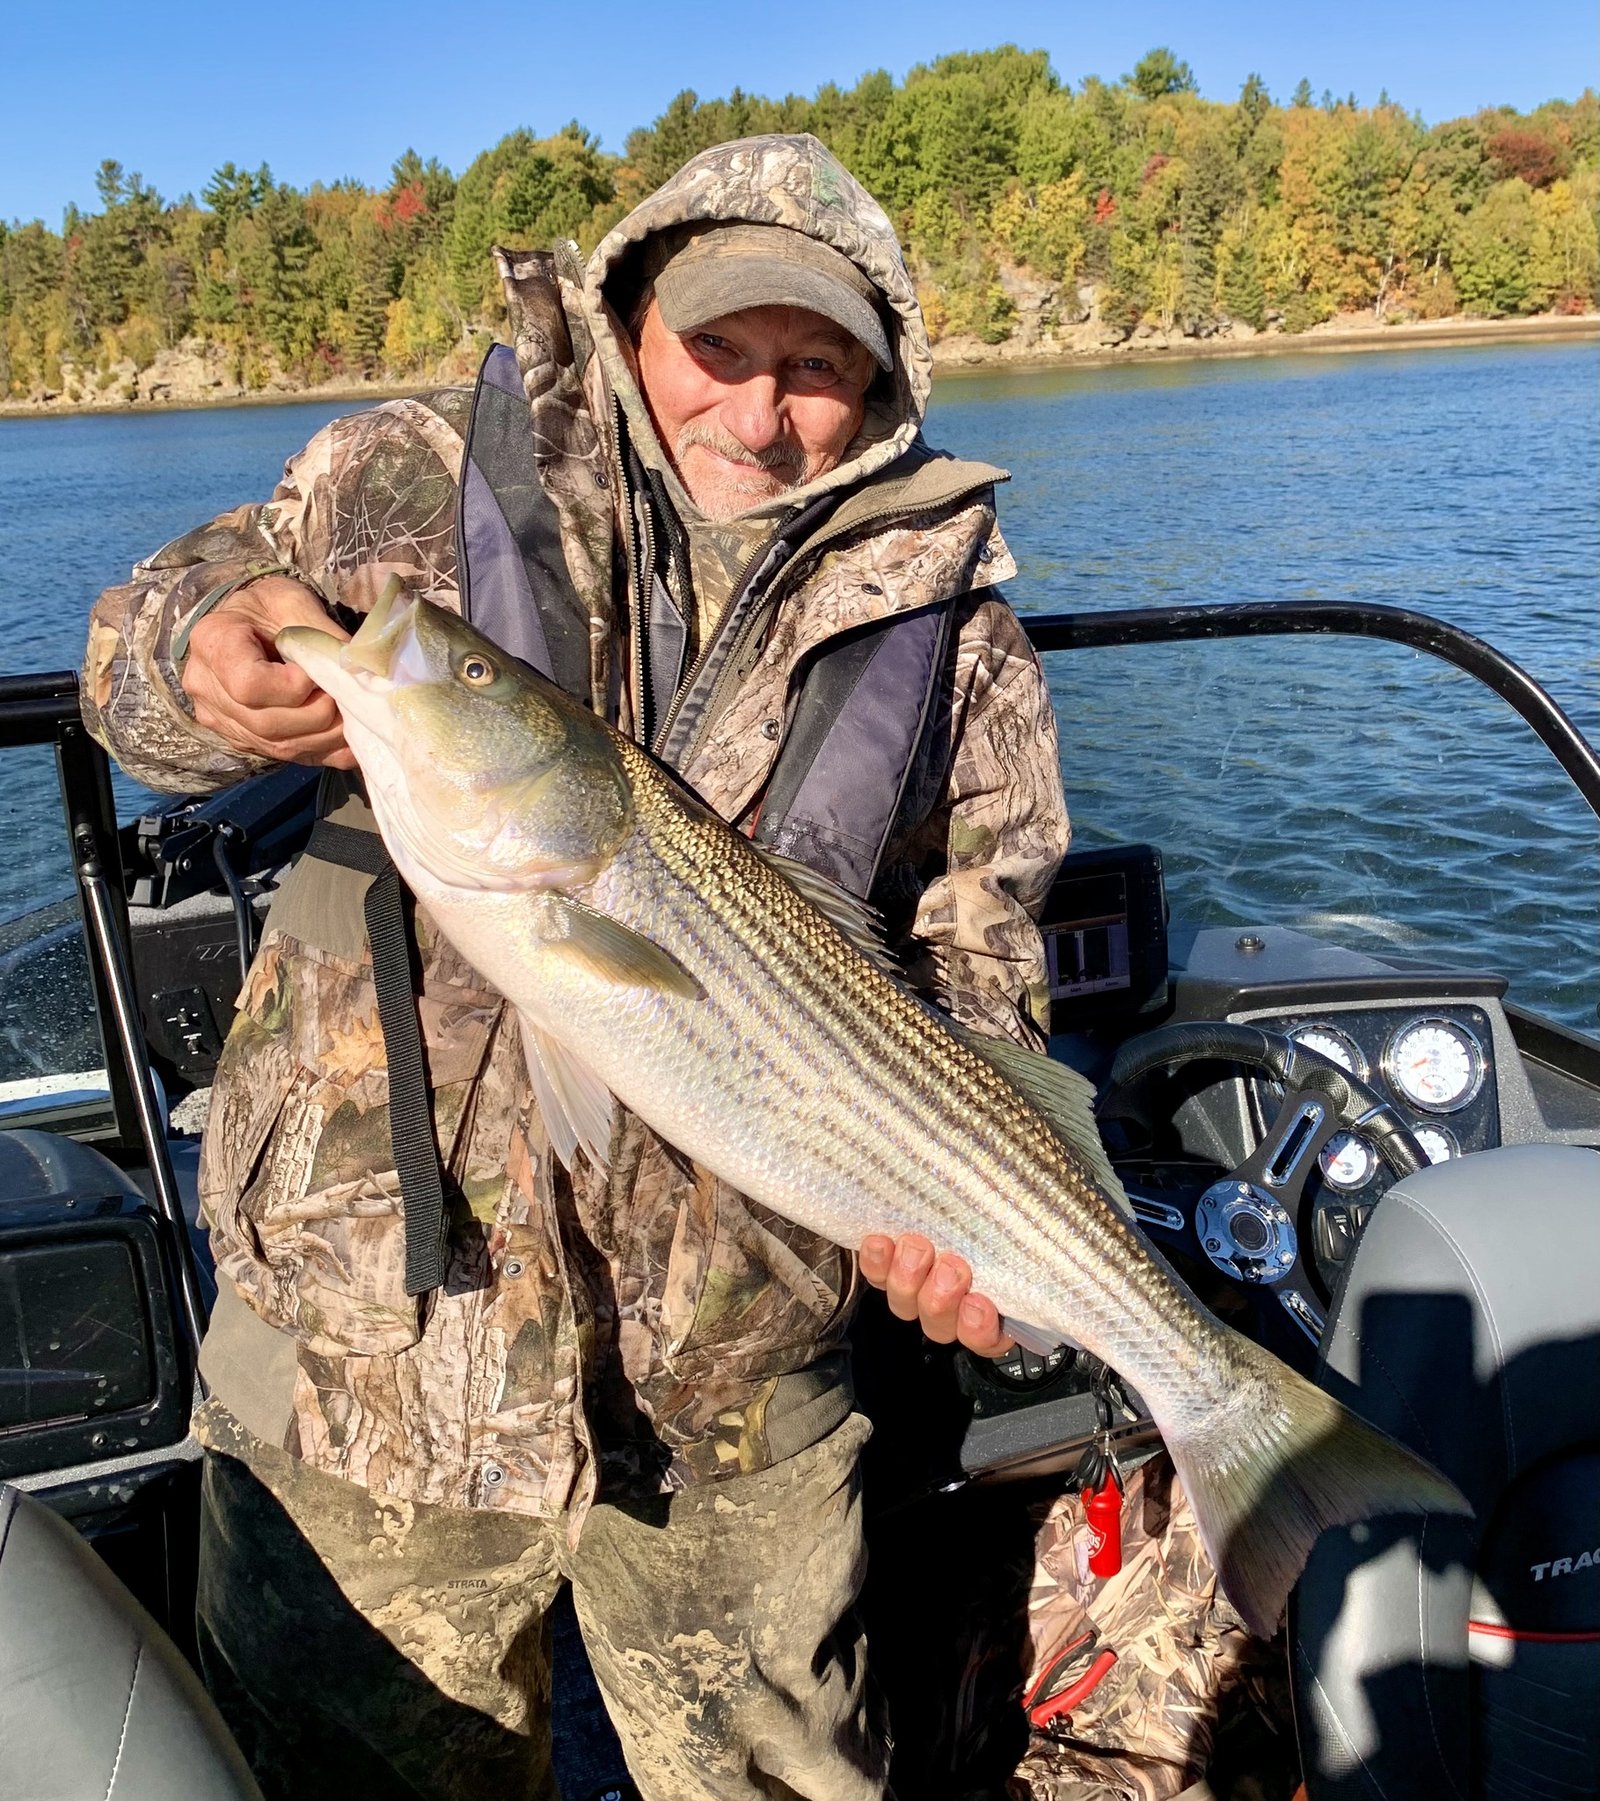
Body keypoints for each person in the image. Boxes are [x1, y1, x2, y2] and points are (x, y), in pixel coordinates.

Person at [82, 133, 1073, 1801]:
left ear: (886, 379)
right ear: (631, 321)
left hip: (745, 1396)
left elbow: (985, 950)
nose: (759, 417)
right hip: (370, 1361)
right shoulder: (414, 476)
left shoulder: (955, 619)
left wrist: (971, 1211)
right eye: (725, 352)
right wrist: (197, 652)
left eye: (818, 371)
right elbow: (149, 634)